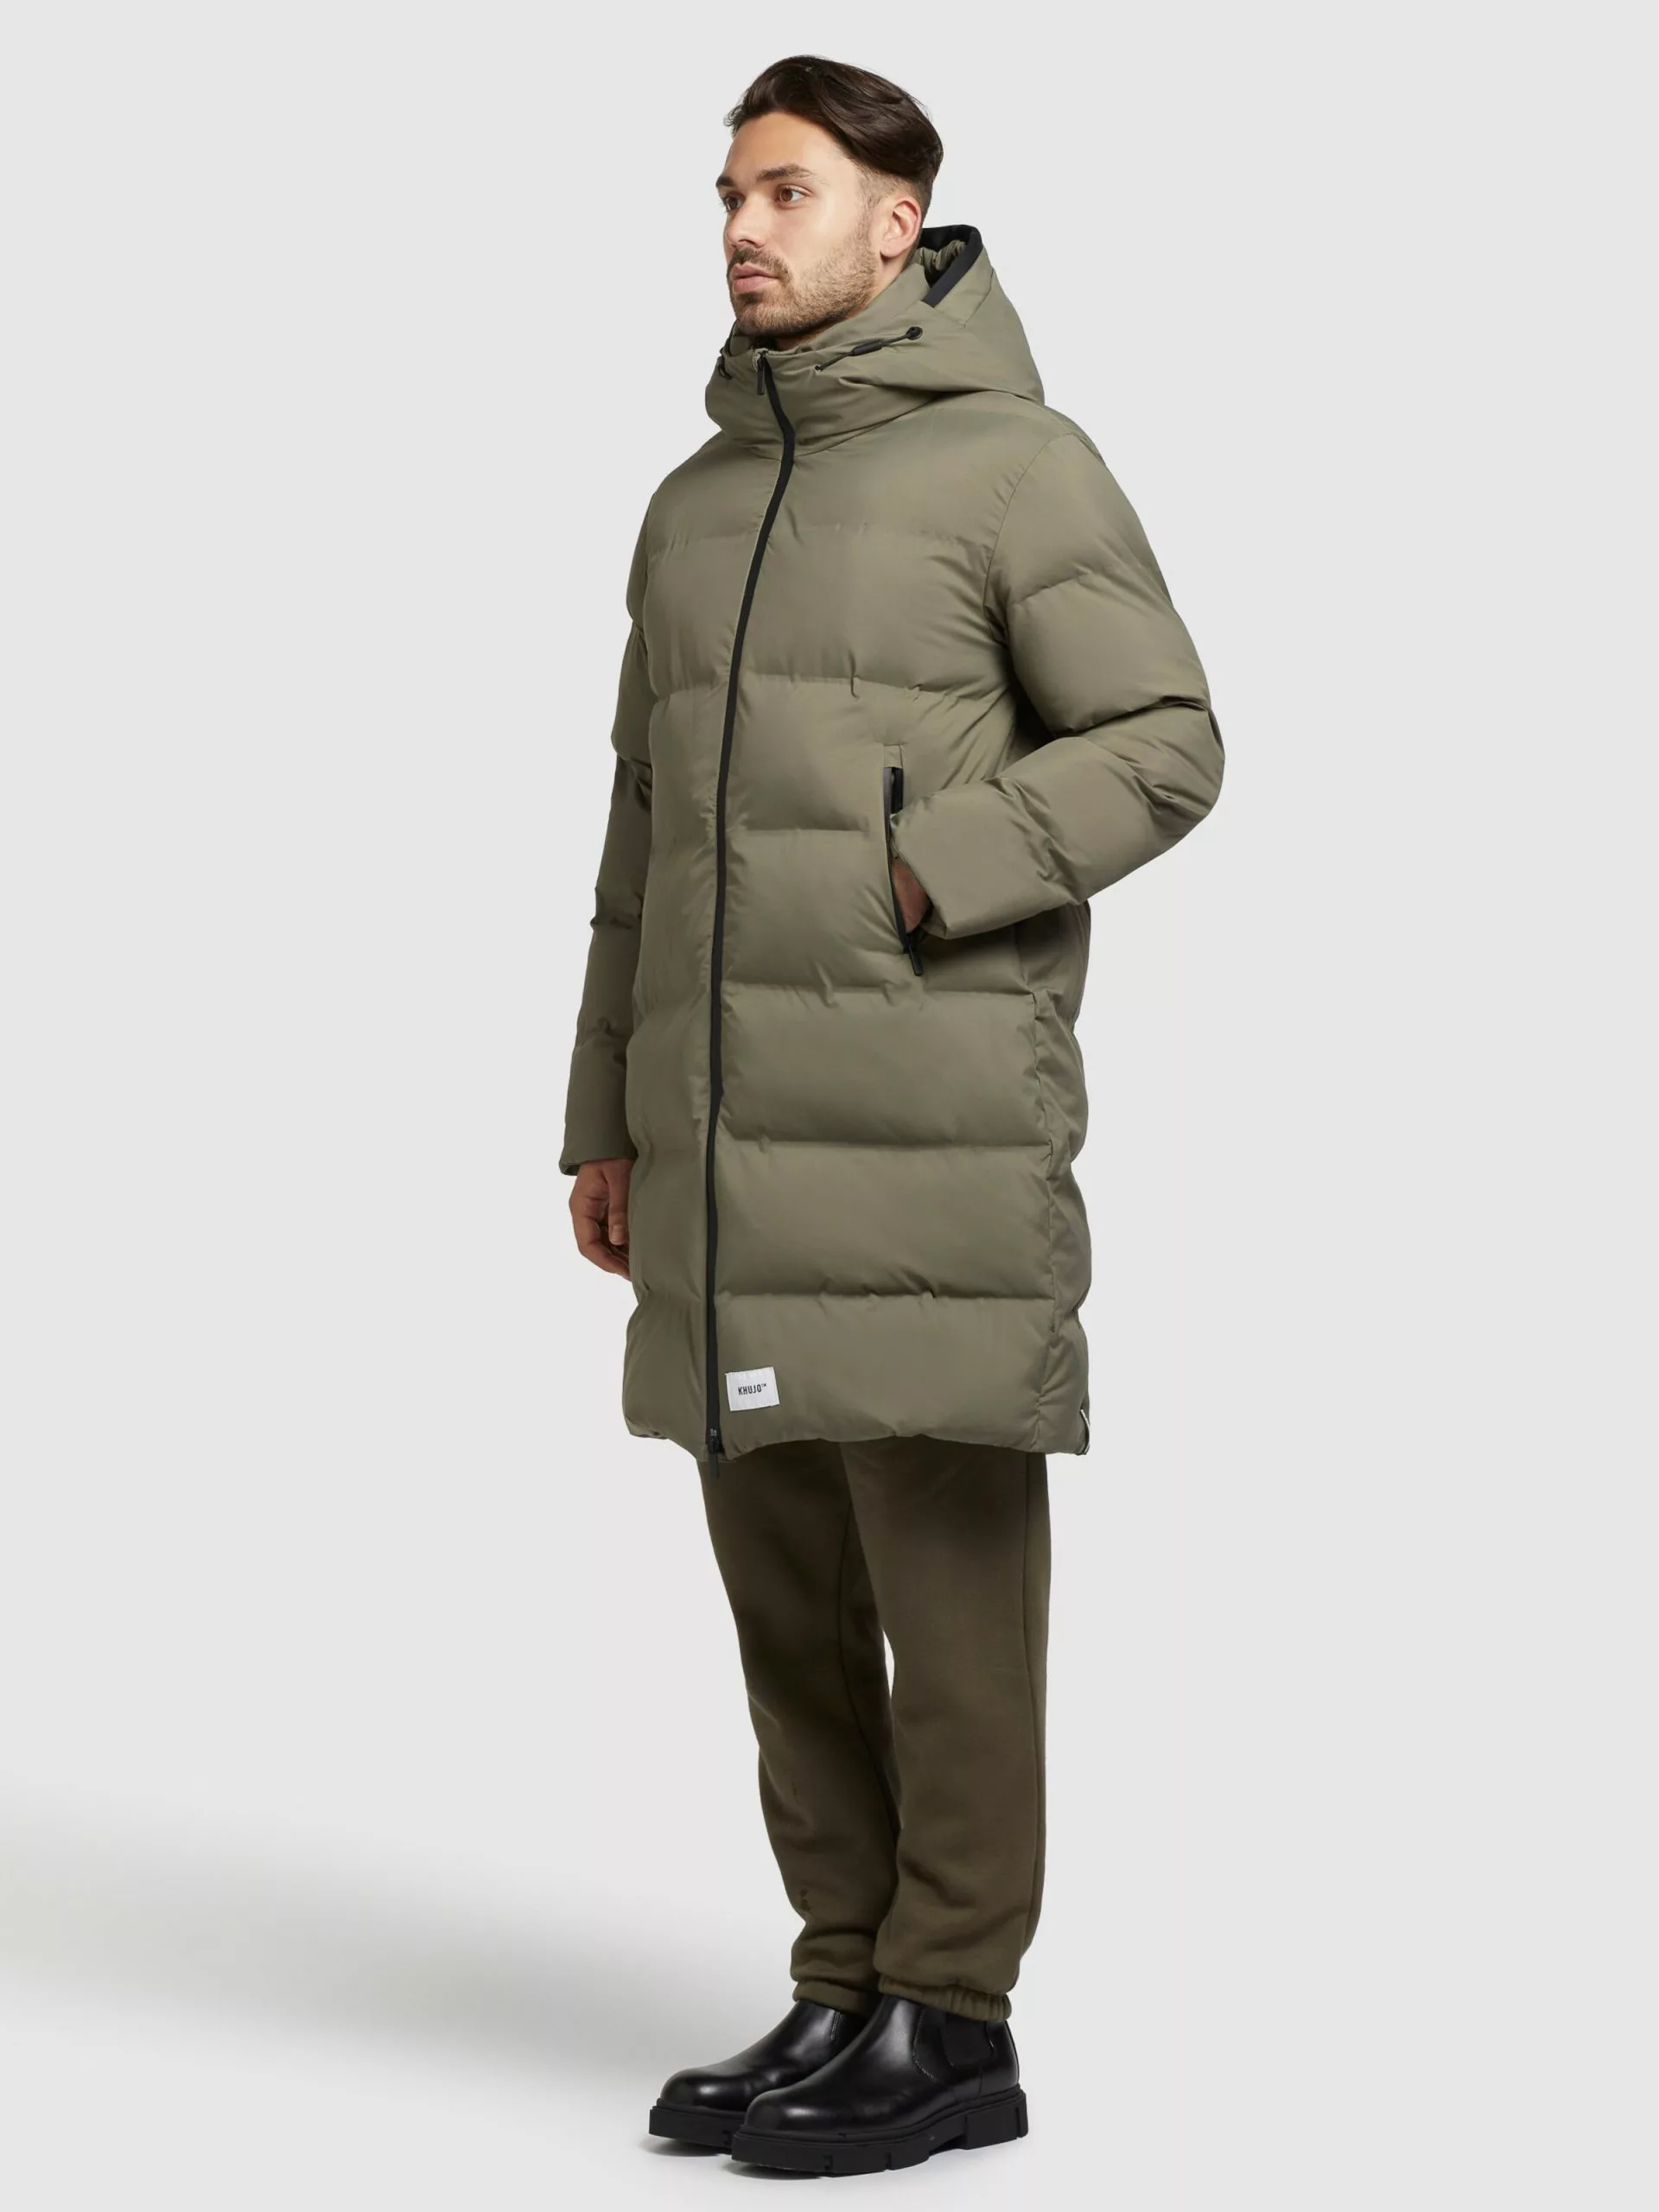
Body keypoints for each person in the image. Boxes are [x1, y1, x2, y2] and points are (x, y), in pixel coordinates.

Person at [560, 54, 1224, 2177]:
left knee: (947, 1609)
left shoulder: (1017, 466)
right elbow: (643, 838)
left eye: (785, 192)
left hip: (925, 1142)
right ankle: (843, 1978)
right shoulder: (696, 503)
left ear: (895, 220)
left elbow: (1167, 738)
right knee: (784, 1597)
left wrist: (926, 869)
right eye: (727, 196)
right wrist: (603, 1113)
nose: (743, 229)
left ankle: (956, 2013)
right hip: (724, 1144)